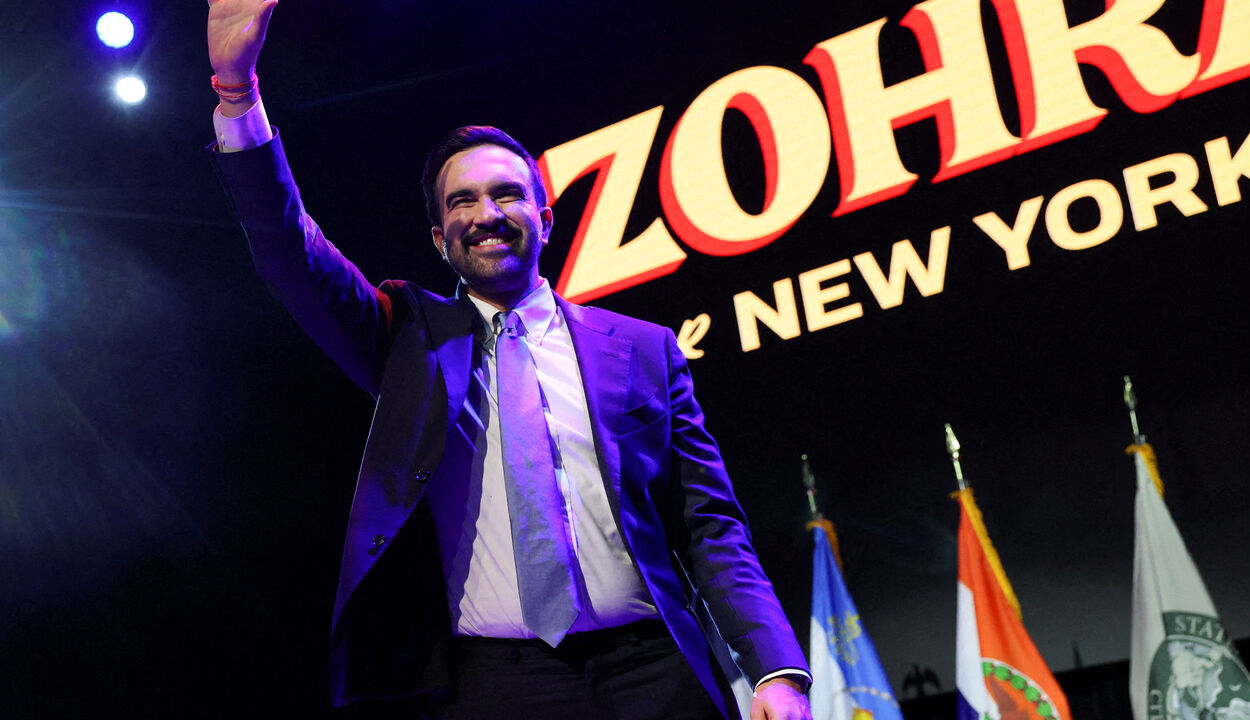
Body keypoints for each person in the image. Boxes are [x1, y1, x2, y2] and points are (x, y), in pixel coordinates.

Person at [205, 1, 812, 718]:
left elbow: (711, 525)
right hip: (496, 684)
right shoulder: (407, 336)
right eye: (461, 201)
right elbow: (289, 254)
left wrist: (775, 670)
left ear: (545, 218)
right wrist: (238, 95)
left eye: (506, 194)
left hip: (655, 671)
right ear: (439, 239)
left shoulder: (645, 349)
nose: (485, 213)